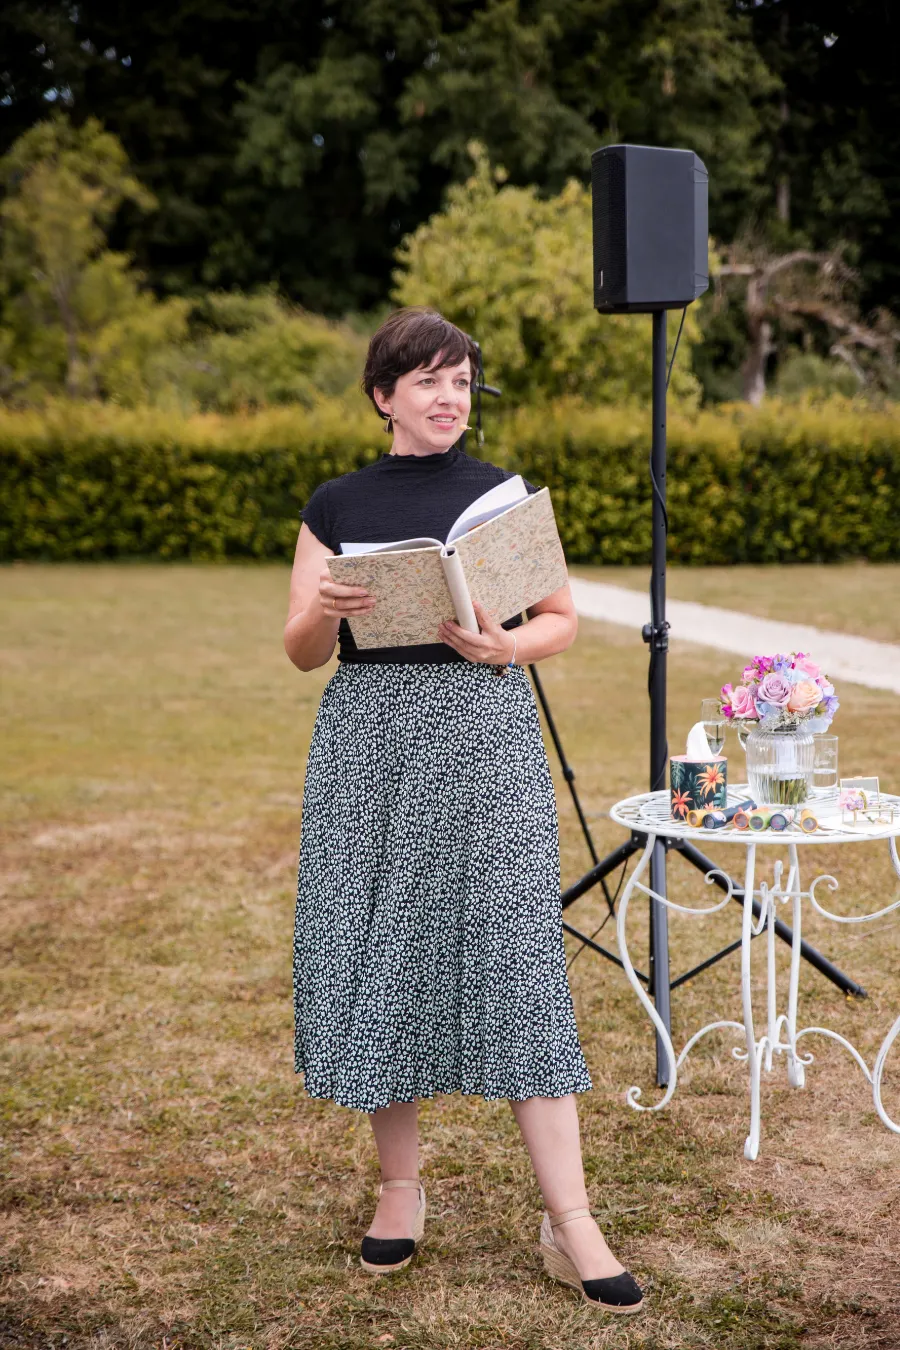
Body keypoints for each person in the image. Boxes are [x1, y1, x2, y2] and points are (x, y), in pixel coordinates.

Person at [284, 307, 644, 1314]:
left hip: (486, 734)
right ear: (383, 396)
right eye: (428, 380)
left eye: (461, 380)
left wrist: (507, 646)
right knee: (383, 946)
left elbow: (561, 620)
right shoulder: (336, 504)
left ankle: (571, 1218)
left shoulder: (501, 497)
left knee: (516, 954)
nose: (450, 397)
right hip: (368, 746)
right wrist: (324, 611)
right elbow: (300, 651)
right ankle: (399, 1190)